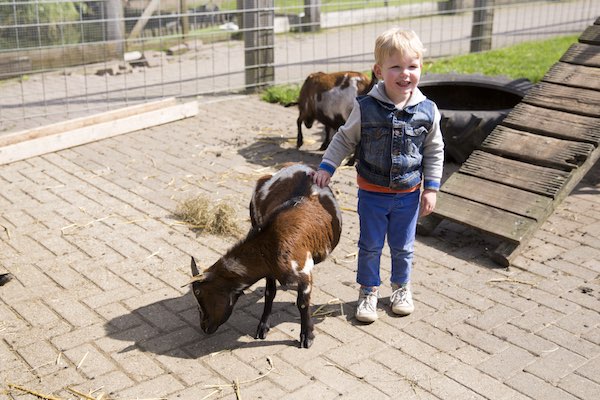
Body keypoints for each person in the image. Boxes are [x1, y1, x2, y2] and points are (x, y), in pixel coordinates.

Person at [312, 28, 444, 322]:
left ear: (421, 67)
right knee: (370, 246)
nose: (404, 74)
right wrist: (327, 167)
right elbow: (344, 139)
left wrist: (431, 188)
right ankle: (368, 291)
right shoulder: (366, 108)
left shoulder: (428, 111)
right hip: (372, 195)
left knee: (403, 247)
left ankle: (400, 288)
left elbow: (435, 151)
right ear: (379, 70)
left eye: (412, 66)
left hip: (408, 196)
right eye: (395, 66)